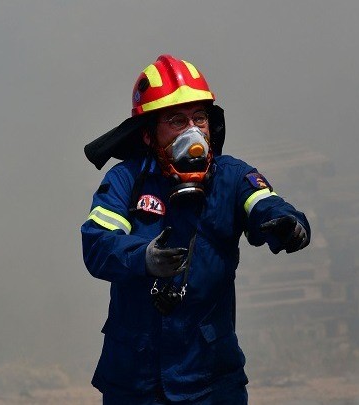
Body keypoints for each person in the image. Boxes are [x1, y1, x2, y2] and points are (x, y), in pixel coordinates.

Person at [81, 54, 311, 404]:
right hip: (135, 380)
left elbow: (266, 204)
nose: (193, 131)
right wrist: (142, 258)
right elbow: (97, 244)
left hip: (211, 379)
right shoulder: (125, 180)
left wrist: (288, 226)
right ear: (148, 135)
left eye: (199, 118)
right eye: (176, 120)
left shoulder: (233, 177)